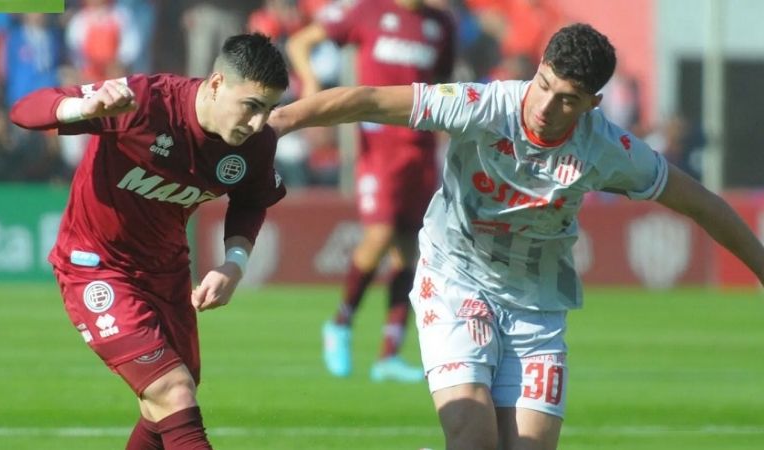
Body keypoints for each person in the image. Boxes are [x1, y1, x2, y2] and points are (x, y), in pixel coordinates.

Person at [268, 23, 764, 450]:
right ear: (540, 65)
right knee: (474, 437)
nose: (546, 105)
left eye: (566, 98)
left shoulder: (608, 148)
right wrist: (283, 120)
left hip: (536, 307)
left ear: (592, 103)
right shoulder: (482, 105)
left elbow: (703, 203)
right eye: (544, 84)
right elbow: (370, 100)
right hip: (455, 278)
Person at [10, 33, 289, 449]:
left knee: (168, 402)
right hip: (95, 265)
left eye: (268, 110)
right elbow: (24, 110)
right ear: (215, 84)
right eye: (250, 106)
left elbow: (252, 201)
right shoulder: (143, 102)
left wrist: (235, 262)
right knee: (172, 391)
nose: (257, 122)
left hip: (167, 270)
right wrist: (82, 108)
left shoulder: (256, 144)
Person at [286, 0, 456, 382]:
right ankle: (341, 322)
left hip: (421, 145)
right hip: (379, 145)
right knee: (379, 234)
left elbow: (444, 86)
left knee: (411, 247)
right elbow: (300, 42)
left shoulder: (441, 23)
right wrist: (311, 84)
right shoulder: (366, 11)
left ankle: (389, 355)